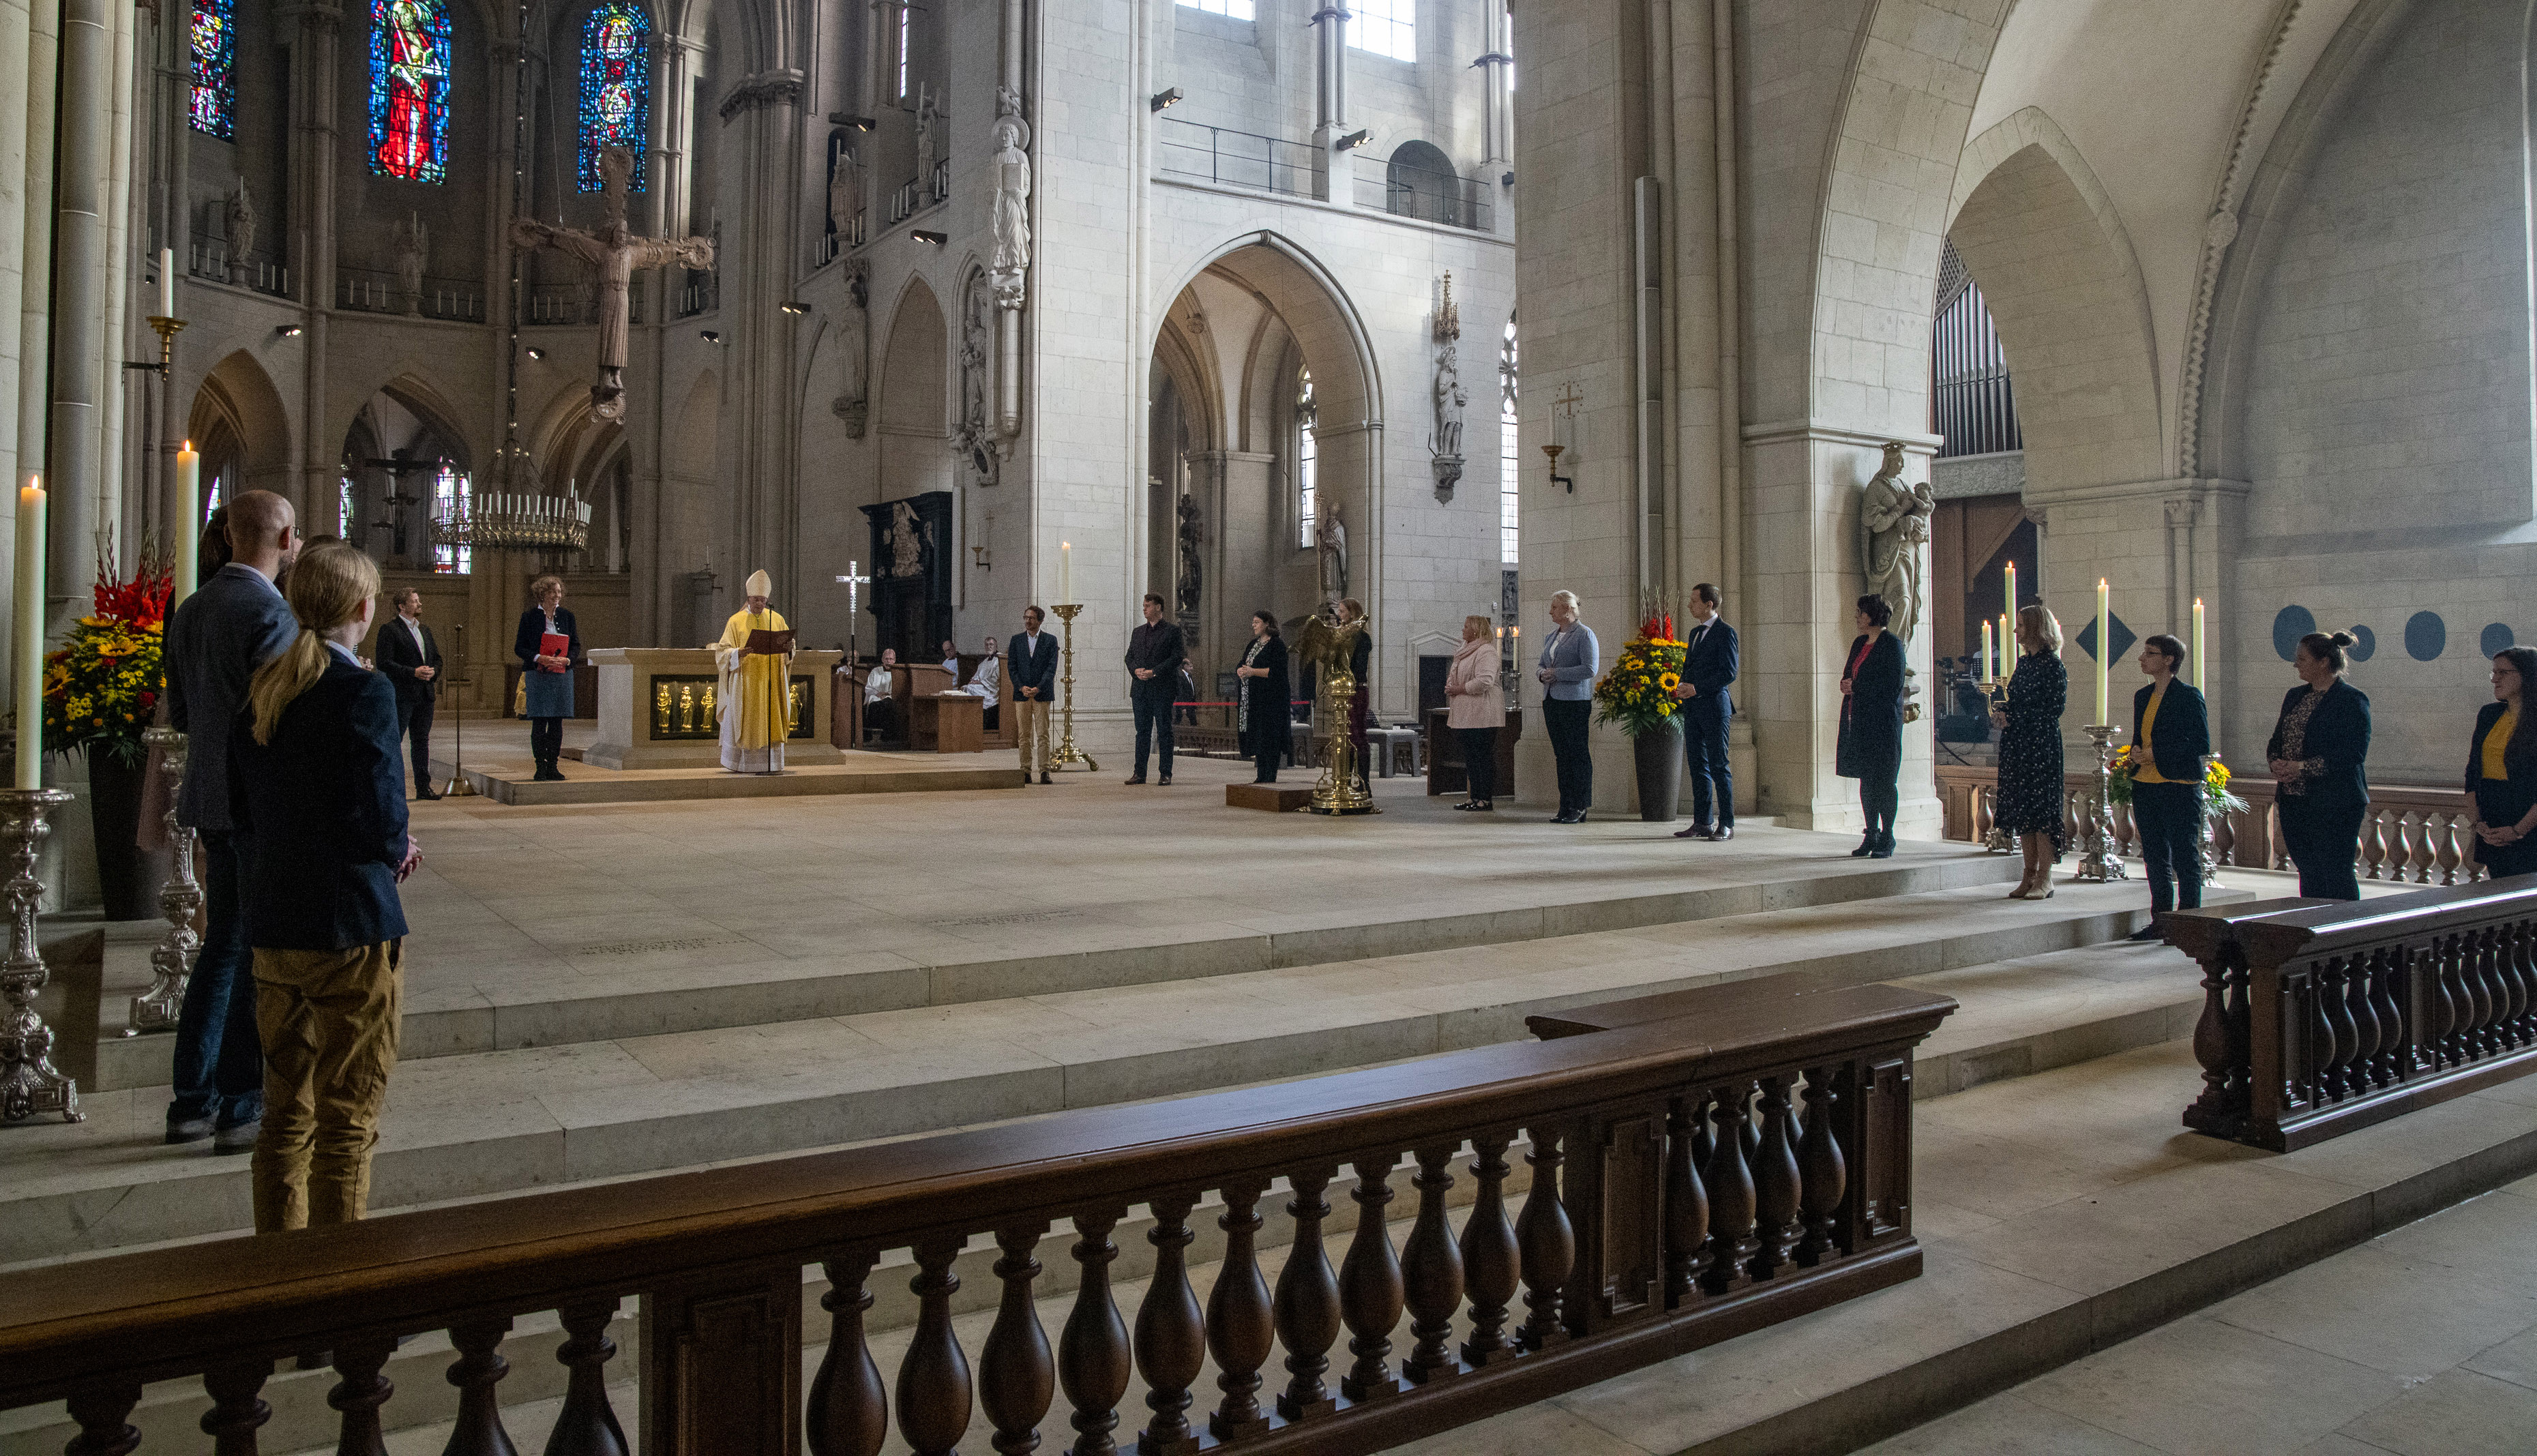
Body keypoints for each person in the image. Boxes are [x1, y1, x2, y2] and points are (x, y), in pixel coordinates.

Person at [228, 543, 419, 1230]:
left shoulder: (263, 690)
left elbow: (243, 814)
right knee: (346, 1123)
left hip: (276, 927)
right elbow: (381, 814)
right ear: (364, 608)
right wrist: (400, 848)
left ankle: (282, 1273)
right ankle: (337, 1286)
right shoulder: (364, 690)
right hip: (351, 929)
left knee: (283, 1119)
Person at [164, 490, 301, 1151]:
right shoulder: (269, 611)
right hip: (253, 804)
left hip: (208, 797)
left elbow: (181, 715)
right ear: (286, 539)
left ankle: (191, 1100)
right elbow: (275, 720)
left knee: (220, 946)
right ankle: (241, 1103)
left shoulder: (191, 608)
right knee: (251, 953)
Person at [2267, 630, 2371, 901]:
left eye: (2302, 659)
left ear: (2324, 662)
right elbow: (2277, 739)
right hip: (2294, 799)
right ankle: (2312, 923)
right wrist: (2276, 762)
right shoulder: (2294, 696)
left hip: (2336, 801)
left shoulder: (2351, 700)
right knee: (2309, 872)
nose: (2295, 664)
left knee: (2336, 872)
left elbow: (2353, 753)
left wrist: (2301, 767)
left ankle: (2345, 925)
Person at [2125, 632, 2210, 936]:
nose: (2142, 658)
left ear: (2168, 659)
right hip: (2146, 782)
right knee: (2154, 854)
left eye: (2150, 653)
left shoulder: (2188, 695)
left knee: (2185, 855)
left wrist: (2156, 754)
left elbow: (2200, 742)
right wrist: (2136, 752)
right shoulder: (2142, 696)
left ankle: (2188, 923)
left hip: (2178, 784)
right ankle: (2160, 921)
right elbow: (2141, 736)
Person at [1991, 604, 2067, 893]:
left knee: (2041, 812)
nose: (2015, 630)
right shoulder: (2024, 664)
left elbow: (2053, 709)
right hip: (2018, 744)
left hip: (2041, 745)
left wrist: (2015, 716)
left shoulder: (2053, 666)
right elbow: (2015, 699)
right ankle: (2028, 875)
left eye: (2021, 625)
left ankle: (2045, 878)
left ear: (2036, 628)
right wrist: (2002, 713)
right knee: (2023, 810)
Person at [1838, 593, 1907, 859]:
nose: (1857, 618)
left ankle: (1888, 836)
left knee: (1884, 781)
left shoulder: (1892, 645)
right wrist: (1846, 684)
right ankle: (1871, 833)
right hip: (1860, 720)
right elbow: (1850, 674)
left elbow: (1892, 685)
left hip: (1883, 724)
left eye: (1861, 613)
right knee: (1866, 780)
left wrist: (1857, 687)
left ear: (1873, 616)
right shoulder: (1859, 643)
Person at [1671, 583, 1739, 841]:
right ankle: (1702, 823)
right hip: (1693, 707)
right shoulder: (1694, 633)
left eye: (1694, 601)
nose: (1689, 605)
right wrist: (1682, 686)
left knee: (1719, 766)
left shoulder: (1726, 632)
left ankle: (1727, 824)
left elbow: (1728, 673)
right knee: (1698, 767)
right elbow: (1690, 667)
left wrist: (1697, 688)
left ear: (1709, 604)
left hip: (1715, 708)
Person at [713, 569, 797, 773]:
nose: (760, 604)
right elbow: (722, 651)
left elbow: (789, 649)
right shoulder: (735, 621)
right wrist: (737, 653)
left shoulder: (777, 619)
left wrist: (789, 649)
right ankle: (742, 764)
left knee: (771, 720)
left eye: (763, 600)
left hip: (771, 680)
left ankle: (771, 764)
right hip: (747, 681)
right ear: (748, 599)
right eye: (756, 599)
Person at [2465, 645, 2537, 880]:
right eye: (2493, 672)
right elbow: (2473, 772)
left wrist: (2518, 831)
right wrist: (2477, 822)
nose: (2495, 679)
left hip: (2529, 825)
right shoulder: (2489, 714)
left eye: (2503, 672)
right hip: (2492, 822)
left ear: (2527, 675)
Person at [372, 589, 443, 800]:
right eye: (414, 601)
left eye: (418, 600)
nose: (419, 604)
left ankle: (423, 788)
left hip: (425, 694)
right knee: (396, 740)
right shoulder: (390, 630)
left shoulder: (425, 630)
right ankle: (392, 788)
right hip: (402, 695)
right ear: (402, 606)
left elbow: (437, 659)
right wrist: (413, 672)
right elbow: (384, 663)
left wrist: (433, 672)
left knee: (421, 741)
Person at [1538, 590, 1599, 823]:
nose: (1550, 611)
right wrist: (1542, 674)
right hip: (1552, 700)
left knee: (1577, 753)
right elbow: (1541, 664)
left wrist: (1558, 674)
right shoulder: (1551, 636)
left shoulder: (1584, 634)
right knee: (1561, 755)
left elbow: (1590, 669)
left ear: (1568, 609)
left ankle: (1580, 806)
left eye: (1554, 607)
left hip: (1575, 702)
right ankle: (1565, 805)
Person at [513, 576, 582, 781]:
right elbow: (519, 647)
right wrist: (538, 657)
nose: (557, 596)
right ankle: (540, 767)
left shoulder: (567, 616)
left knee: (557, 722)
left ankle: (553, 766)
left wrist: (568, 660)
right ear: (542, 594)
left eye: (559, 592)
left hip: (561, 674)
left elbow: (575, 644)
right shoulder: (529, 617)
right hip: (538, 674)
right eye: (553, 592)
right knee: (539, 721)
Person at [1125, 592, 1184, 784]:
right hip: (1140, 689)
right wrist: (1136, 670)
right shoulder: (1138, 632)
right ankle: (1139, 773)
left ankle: (1165, 773)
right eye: (1144, 606)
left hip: (1162, 688)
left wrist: (1155, 672)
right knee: (1142, 732)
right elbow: (1129, 657)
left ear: (1158, 607)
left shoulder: (1172, 631)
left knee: (1164, 731)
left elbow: (1177, 657)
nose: (1144, 609)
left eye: (1148, 606)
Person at [1445, 614, 1502, 811]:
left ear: (1476, 631)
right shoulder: (1464, 650)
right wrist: (1451, 685)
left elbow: (1485, 681)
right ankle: (1474, 796)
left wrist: (1459, 689)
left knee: (1482, 756)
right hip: (1466, 713)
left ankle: (1485, 798)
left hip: (1483, 713)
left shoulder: (1486, 651)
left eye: (1466, 626)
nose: (1463, 630)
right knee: (1470, 757)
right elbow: (1455, 674)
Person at [1235, 610, 1292, 784]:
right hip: (1254, 700)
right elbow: (1243, 662)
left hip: (1271, 700)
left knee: (1270, 737)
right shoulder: (1253, 644)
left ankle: (1270, 775)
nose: (1253, 625)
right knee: (1259, 737)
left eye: (1257, 622)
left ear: (1267, 624)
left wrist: (1252, 672)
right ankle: (1261, 775)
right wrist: (1240, 670)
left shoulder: (1277, 645)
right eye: (1253, 622)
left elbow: (1277, 672)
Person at [1009, 609, 1058, 782]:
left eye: (1032, 618)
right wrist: (1021, 687)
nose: (1028, 621)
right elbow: (1012, 668)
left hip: (1041, 693)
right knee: (1024, 734)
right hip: (1022, 694)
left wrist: (1039, 687)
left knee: (1043, 734)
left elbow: (1051, 668)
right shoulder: (1016, 640)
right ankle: (1025, 770)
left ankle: (1044, 770)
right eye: (1026, 617)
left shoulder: (1050, 640)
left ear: (1040, 621)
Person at [1338, 598, 1374, 790]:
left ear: (1352, 613)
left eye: (1343, 611)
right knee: (1345, 737)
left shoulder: (1362, 637)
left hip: (1356, 690)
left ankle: (1363, 783)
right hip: (1343, 691)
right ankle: (1344, 782)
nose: (1339, 615)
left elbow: (1359, 667)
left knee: (1358, 735)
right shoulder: (1341, 634)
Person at [964, 634, 1002, 732]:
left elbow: (996, 679)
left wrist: (981, 682)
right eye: (987, 645)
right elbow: (977, 676)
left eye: (991, 645)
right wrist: (974, 681)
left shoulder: (1000, 660)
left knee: (969, 689)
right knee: (966, 687)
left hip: (992, 690)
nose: (989, 647)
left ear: (996, 646)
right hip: (983, 688)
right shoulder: (984, 662)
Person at [863, 647, 900, 744]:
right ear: (882, 660)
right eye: (886, 659)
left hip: (890, 697)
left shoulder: (898, 673)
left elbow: (897, 689)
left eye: (891, 659)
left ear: (894, 660)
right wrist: (877, 693)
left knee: (888, 705)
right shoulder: (875, 671)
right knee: (875, 706)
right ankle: (872, 736)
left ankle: (887, 737)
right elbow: (868, 688)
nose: (889, 661)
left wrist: (887, 694)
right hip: (876, 697)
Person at [1174, 657, 1201, 727]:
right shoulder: (1180, 676)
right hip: (1184, 704)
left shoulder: (1189, 676)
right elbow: (1180, 692)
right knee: (1178, 720)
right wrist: (1183, 707)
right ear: (1185, 666)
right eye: (1190, 666)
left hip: (1190, 705)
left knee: (1194, 722)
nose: (1192, 668)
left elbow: (1192, 690)